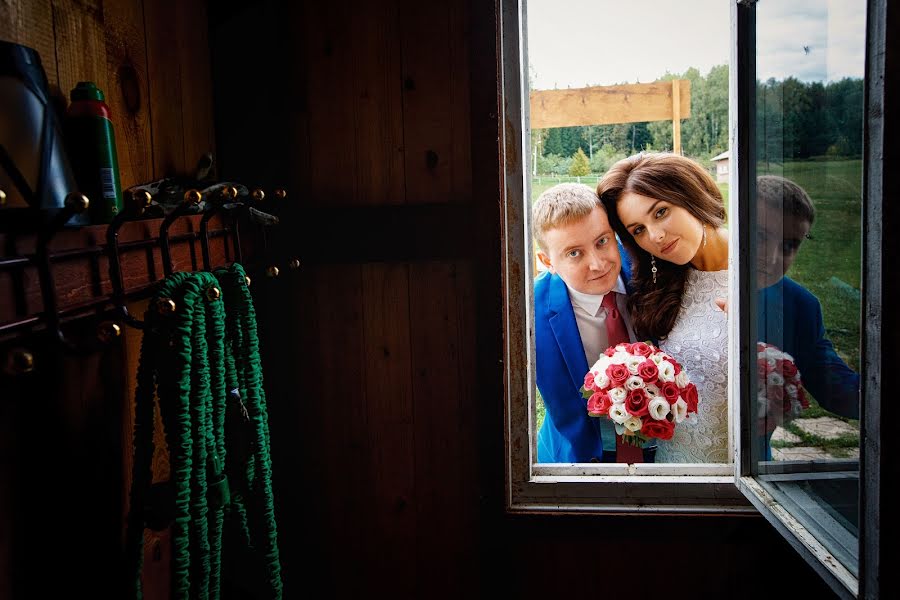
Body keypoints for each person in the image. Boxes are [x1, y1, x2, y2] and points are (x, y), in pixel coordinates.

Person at [598, 153, 730, 463]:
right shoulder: (657, 281)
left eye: (660, 212)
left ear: (690, 194)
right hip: (674, 464)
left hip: (742, 471)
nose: (655, 236)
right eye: (638, 230)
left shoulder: (760, 272)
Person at [533, 183, 655, 463]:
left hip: (667, 447)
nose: (598, 264)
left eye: (602, 241)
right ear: (547, 261)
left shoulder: (649, 270)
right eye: (574, 253)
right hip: (579, 455)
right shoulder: (527, 312)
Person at [756, 175, 860, 422]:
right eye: (760, 236)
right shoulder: (689, 281)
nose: (772, 258)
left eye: (789, 245)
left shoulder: (801, 305)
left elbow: (835, 386)